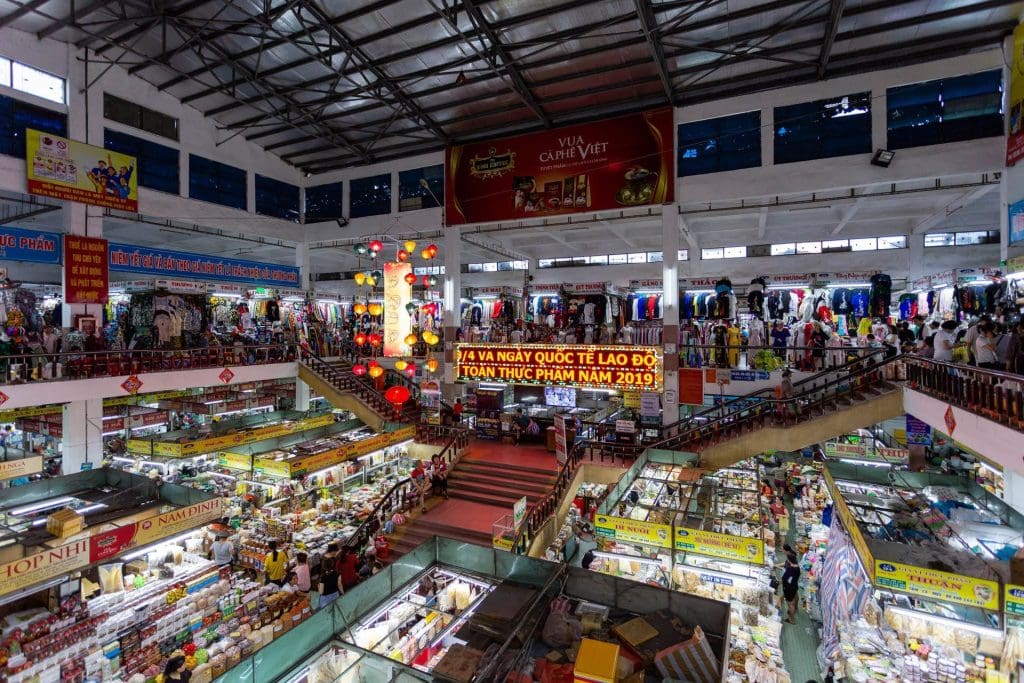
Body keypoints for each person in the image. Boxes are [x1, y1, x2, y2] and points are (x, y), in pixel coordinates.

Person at [781, 553, 801, 623]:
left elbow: (784, 578)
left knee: (790, 604)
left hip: (788, 588)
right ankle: (794, 610)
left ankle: (792, 619)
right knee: (793, 601)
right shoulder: (797, 568)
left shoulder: (790, 569)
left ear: (789, 560)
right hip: (794, 586)